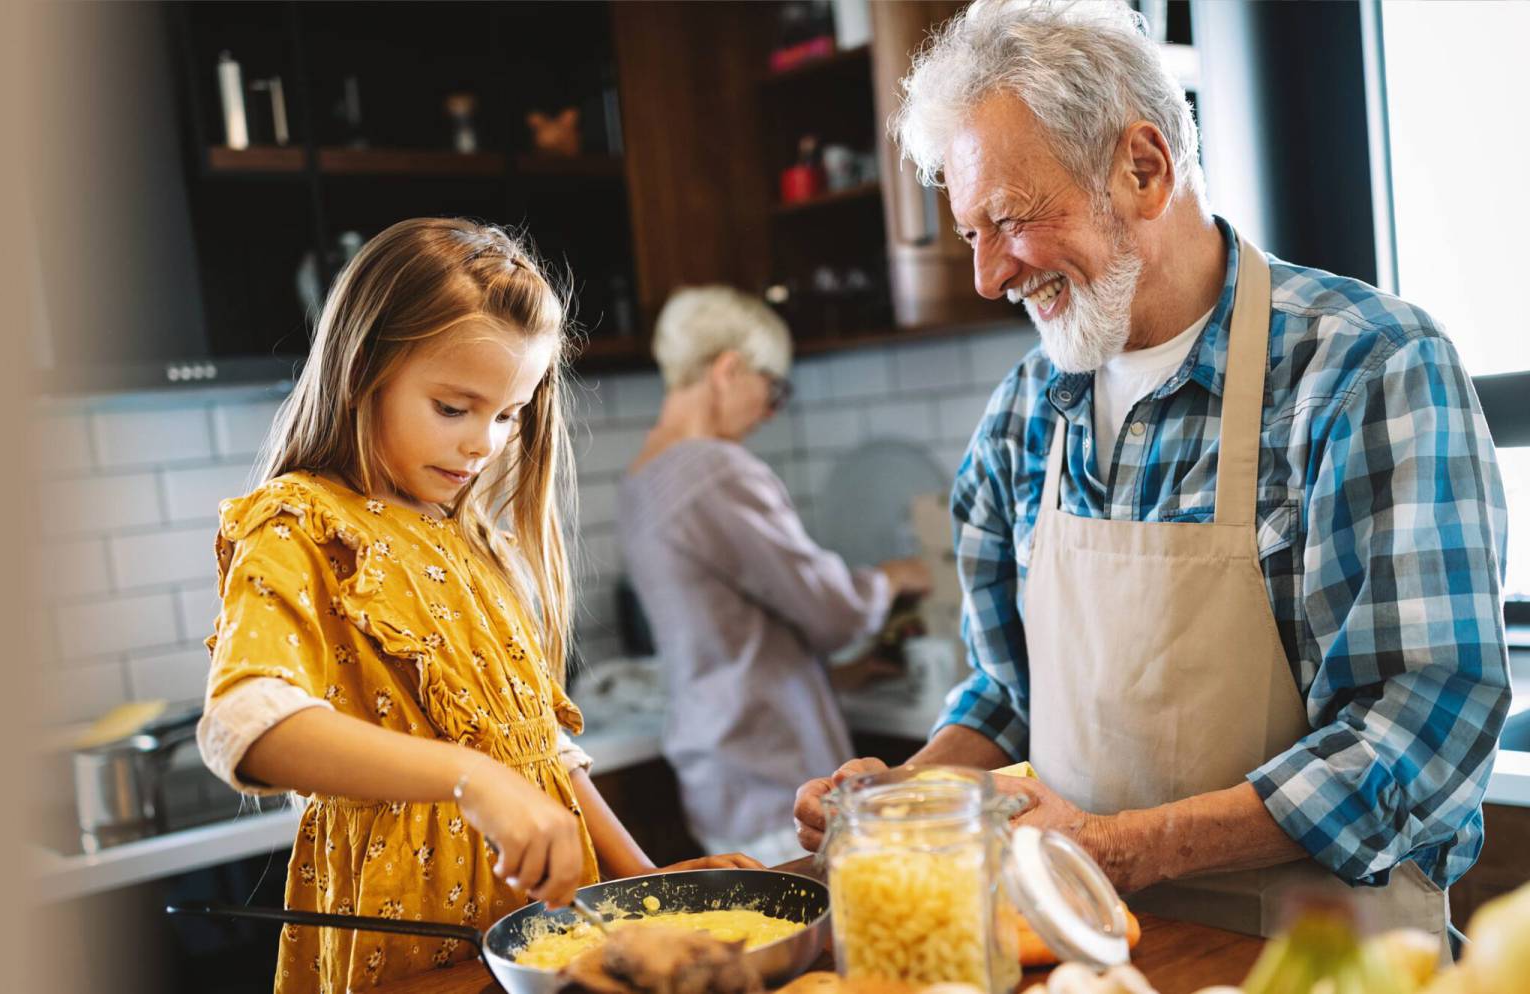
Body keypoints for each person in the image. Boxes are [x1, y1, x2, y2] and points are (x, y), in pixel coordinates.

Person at [792, 1, 1509, 945]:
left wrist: (1125, 847)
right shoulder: (1022, 416)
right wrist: (910, 792)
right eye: (971, 233)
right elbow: (1011, 694)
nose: (987, 276)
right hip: (1087, 950)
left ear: (1142, 168)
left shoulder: (1366, 368)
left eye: (1007, 219)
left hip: (1324, 955)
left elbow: (1421, 728)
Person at [196, 219, 759, 994]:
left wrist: (646, 894)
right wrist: (470, 779)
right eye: (454, 408)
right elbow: (245, 725)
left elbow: (538, 753)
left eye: (508, 415)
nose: (483, 446)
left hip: (539, 951)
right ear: (365, 369)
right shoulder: (300, 523)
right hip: (408, 952)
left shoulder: (468, 539)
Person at [618, 286, 932, 868]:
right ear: (729, 370)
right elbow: (833, 611)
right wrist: (890, 579)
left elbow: (729, 628)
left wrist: (834, 678)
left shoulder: (641, 478)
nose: (769, 410)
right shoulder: (714, 469)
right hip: (771, 770)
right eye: (772, 387)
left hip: (717, 758)